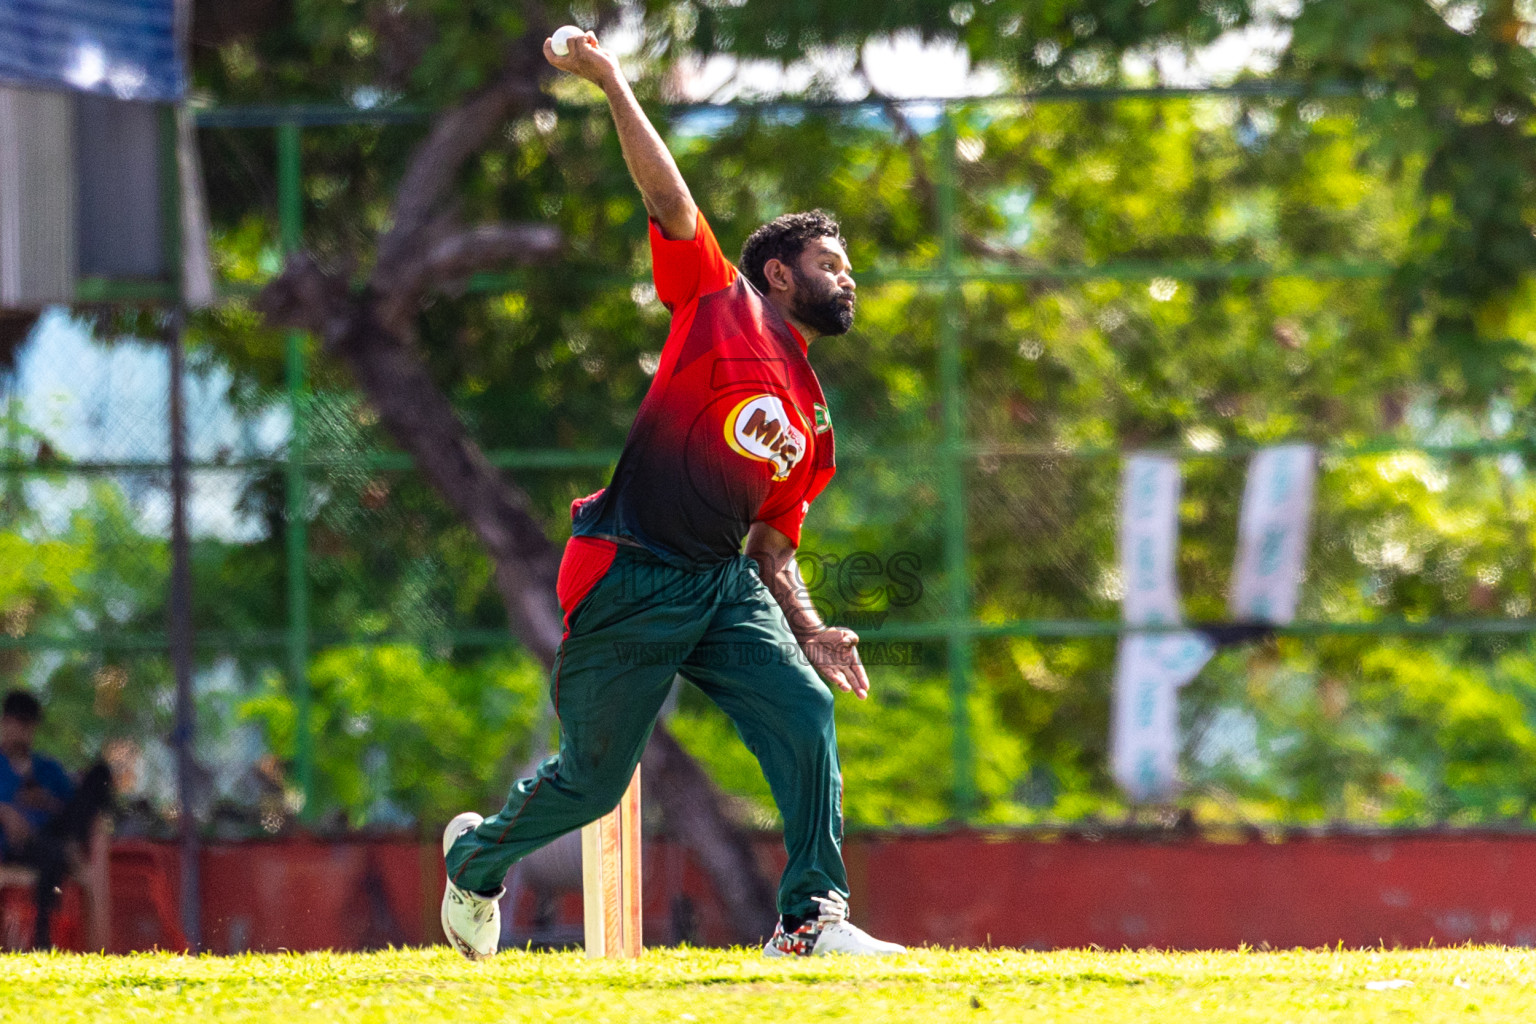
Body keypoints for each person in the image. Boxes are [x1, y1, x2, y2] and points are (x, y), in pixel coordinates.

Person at [440, 29, 906, 960]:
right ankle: (476, 863)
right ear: (780, 273)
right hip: (627, 569)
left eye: (846, 267)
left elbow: (773, 548)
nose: (845, 277)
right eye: (829, 263)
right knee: (593, 785)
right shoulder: (718, 302)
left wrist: (811, 629)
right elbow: (667, 195)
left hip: (721, 584)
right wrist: (610, 78)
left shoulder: (814, 424)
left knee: (805, 710)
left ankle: (810, 919)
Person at [0, 689, 113, 949]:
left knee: (98, 775)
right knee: (53, 853)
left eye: (28, 724)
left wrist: (45, 801)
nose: (23, 730)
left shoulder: (46, 767)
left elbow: (73, 806)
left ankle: (68, 847)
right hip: (18, 846)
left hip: (55, 834)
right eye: (19, 722)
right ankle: (42, 937)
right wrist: (5, 811)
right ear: (5, 722)